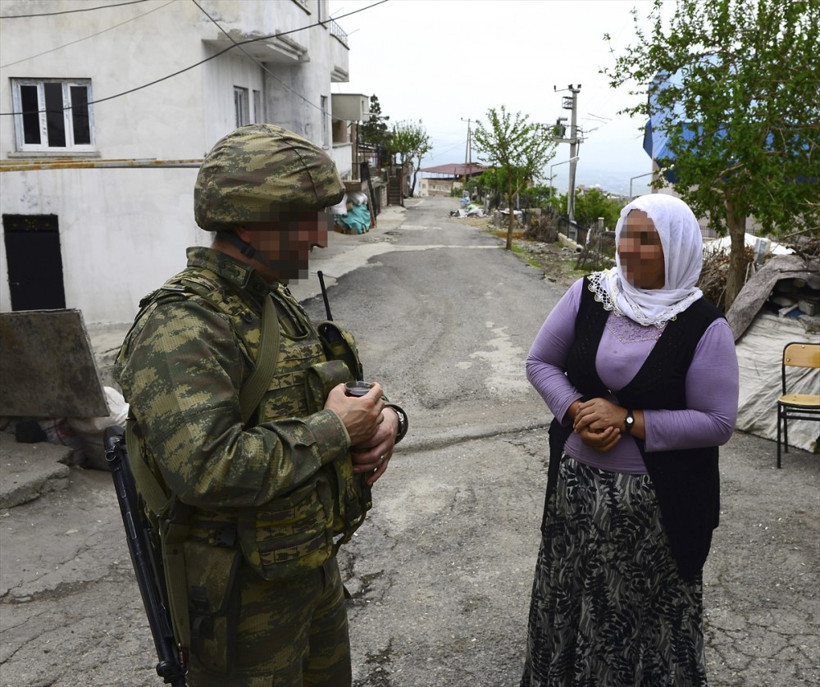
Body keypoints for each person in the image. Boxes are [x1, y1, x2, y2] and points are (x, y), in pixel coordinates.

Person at [114, 124, 408, 687]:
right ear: (251, 221)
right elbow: (206, 467)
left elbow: (341, 394)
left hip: (307, 568)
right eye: (309, 219)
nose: (322, 237)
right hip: (239, 604)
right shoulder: (185, 322)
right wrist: (333, 431)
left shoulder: (272, 301)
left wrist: (388, 419)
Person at [521, 193, 738, 686]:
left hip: (653, 511)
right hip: (576, 493)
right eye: (625, 235)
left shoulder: (705, 326)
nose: (627, 249)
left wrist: (629, 419)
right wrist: (576, 409)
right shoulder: (591, 294)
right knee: (567, 596)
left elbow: (718, 421)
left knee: (632, 617)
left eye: (646, 240)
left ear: (678, 248)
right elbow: (540, 363)